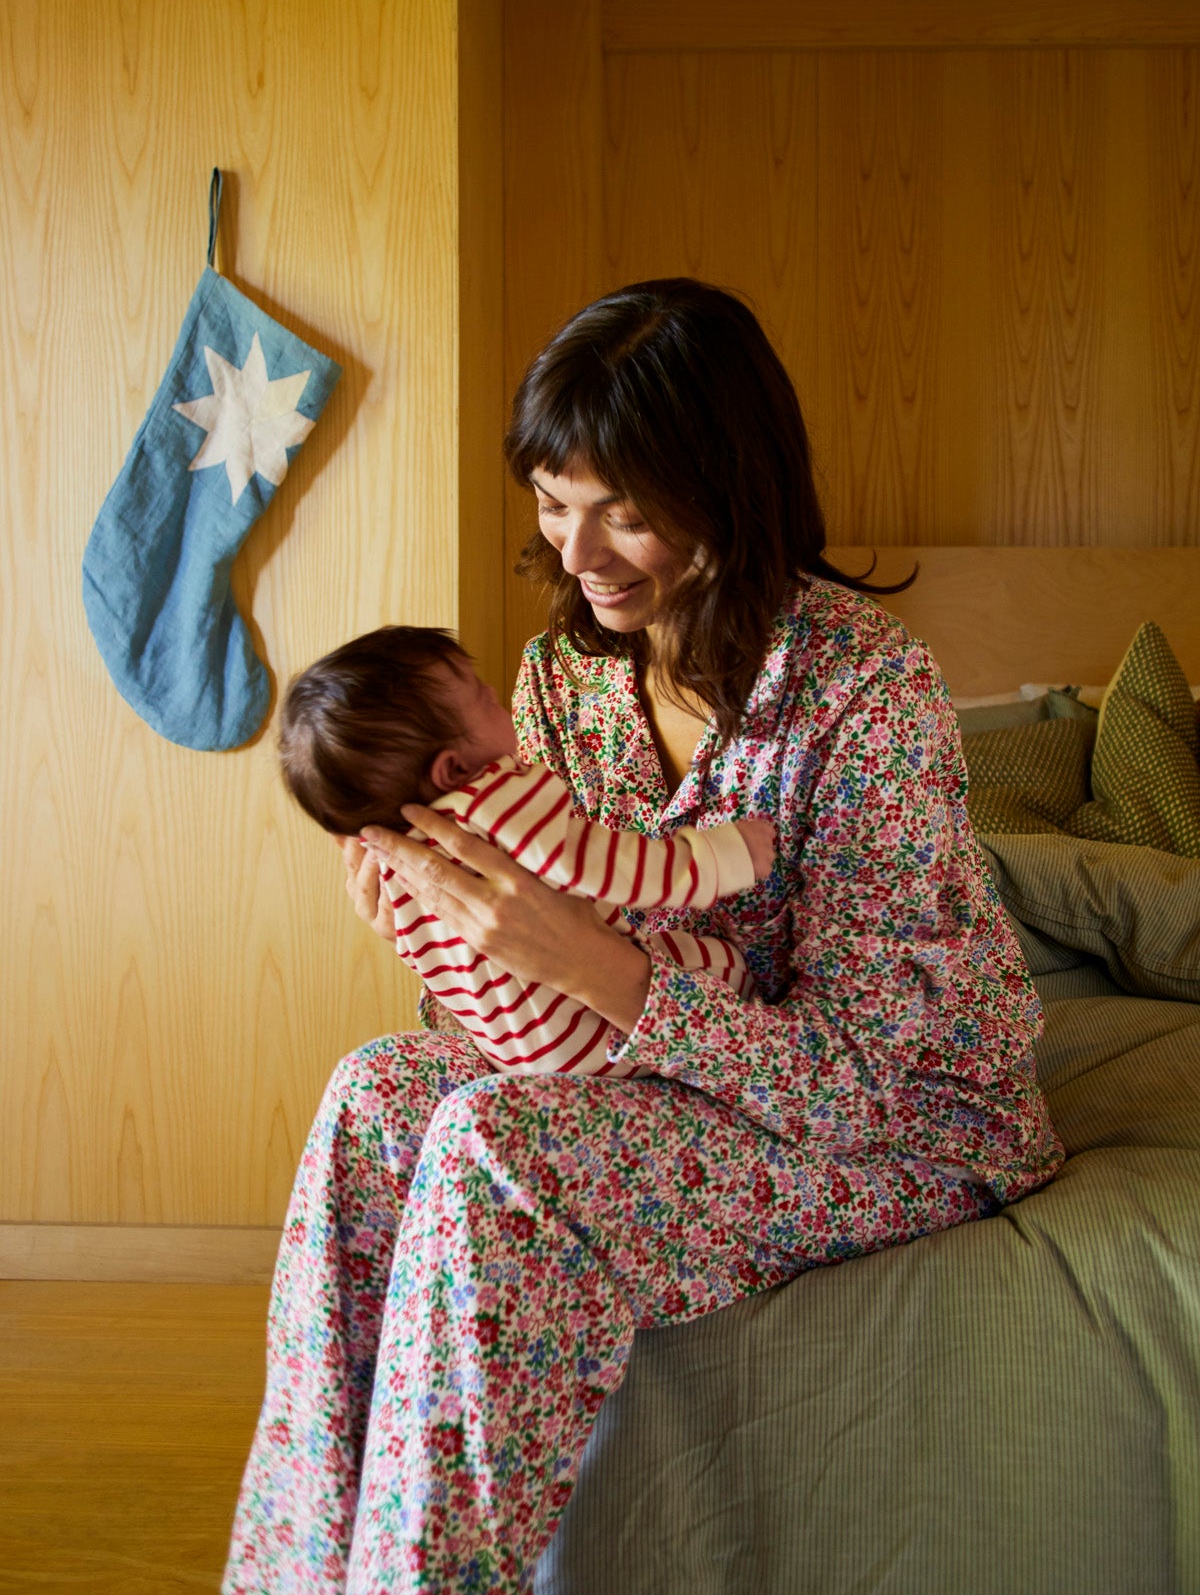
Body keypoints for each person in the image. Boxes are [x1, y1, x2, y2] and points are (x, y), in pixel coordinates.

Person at [224, 278, 1063, 1595]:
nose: (581, 551)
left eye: (627, 507)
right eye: (556, 503)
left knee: (505, 1154)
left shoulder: (868, 691)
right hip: (668, 1075)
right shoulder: (564, 681)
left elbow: (858, 1081)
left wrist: (597, 969)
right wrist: (442, 931)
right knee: (378, 1096)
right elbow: (525, 1023)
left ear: (729, 484)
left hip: (907, 1119)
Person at [277, 624, 774, 1076]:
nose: (498, 697)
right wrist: (724, 856)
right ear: (451, 770)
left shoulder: (400, 858)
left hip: (515, 1054)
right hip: (600, 1039)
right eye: (485, 699)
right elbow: (606, 867)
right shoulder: (495, 794)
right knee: (723, 964)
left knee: (371, 1076)